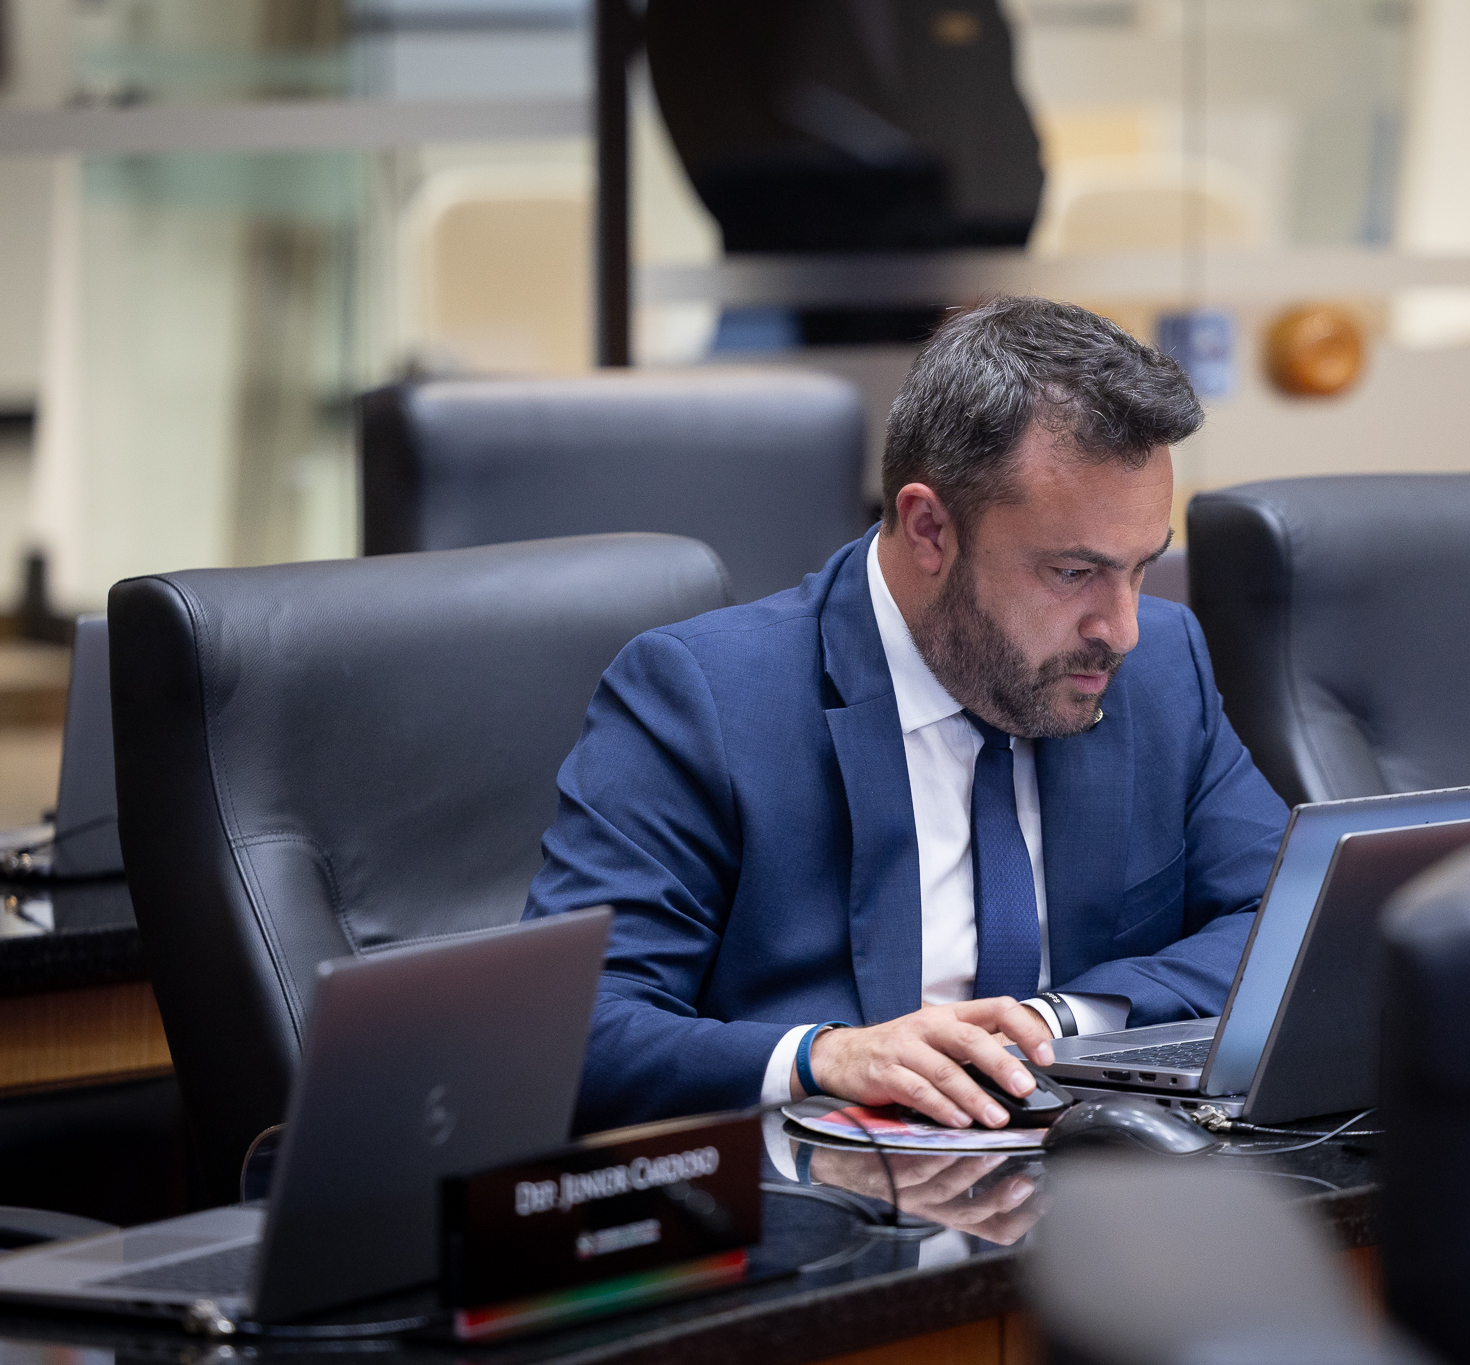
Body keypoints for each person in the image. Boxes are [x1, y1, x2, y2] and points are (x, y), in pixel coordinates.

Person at [525, 296, 1288, 1133]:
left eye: (1141, 567)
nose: (1121, 629)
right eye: (1073, 573)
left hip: (1099, 1170)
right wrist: (824, 1057)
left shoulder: (1161, 665)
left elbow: (1287, 921)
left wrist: (1062, 1019)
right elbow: (574, 1029)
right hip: (831, 1186)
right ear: (929, 528)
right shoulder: (702, 697)